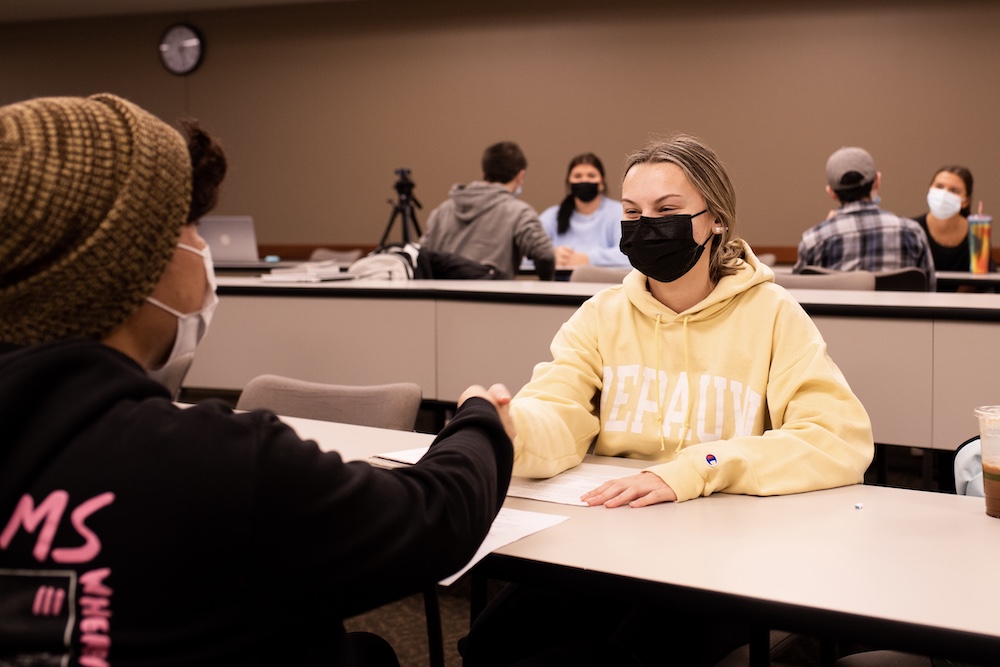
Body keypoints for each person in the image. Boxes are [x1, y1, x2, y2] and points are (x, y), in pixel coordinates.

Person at [0, 94, 514, 667]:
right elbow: (435, 518)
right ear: (128, 264)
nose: (202, 251)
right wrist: (480, 421)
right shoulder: (210, 464)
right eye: (190, 227)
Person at [461, 134, 874, 666]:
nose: (645, 225)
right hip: (608, 538)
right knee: (495, 642)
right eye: (631, 212)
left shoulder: (772, 314)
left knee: (606, 657)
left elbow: (838, 438)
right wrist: (513, 427)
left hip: (725, 554)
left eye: (667, 210)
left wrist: (697, 467)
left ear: (716, 219)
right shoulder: (602, 314)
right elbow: (560, 410)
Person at [793, 146, 936, 288]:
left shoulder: (813, 240)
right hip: (898, 311)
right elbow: (929, 290)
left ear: (831, 193)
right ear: (877, 181)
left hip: (836, 312)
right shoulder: (913, 232)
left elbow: (795, 299)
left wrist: (826, 230)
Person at [420, 141, 556, 280]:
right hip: (491, 299)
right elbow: (545, 255)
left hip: (441, 299)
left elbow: (422, 256)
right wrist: (547, 282)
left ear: (483, 172)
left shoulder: (442, 211)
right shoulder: (519, 212)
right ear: (520, 176)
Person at [539, 152, 629, 268]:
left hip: (604, 284)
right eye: (577, 176)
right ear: (569, 183)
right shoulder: (551, 216)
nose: (584, 180)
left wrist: (587, 259)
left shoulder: (619, 213)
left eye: (591, 176)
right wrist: (548, 256)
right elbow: (525, 254)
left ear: (602, 183)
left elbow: (631, 254)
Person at [912, 166, 993, 285]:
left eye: (954, 191)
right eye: (939, 187)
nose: (944, 194)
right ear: (930, 190)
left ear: (966, 201)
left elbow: (983, 282)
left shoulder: (977, 232)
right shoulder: (912, 230)